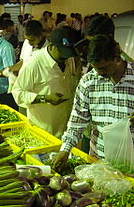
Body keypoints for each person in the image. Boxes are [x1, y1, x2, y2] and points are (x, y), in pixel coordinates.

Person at [52, 35, 134, 170]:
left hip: (131, 164)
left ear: (116, 57)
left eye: (104, 68)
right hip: (99, 163)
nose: (99, 73)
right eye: (96, 68)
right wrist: (65, 150)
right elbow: (77, 120)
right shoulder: (88, 82)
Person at [12, 26, 81, 137]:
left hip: (65, 130)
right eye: (63, 53)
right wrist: (45, 98)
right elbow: (18, 93)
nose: (66, 57)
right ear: (52, 46)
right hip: (43, 131)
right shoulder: (34, 63)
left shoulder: (70, 59)